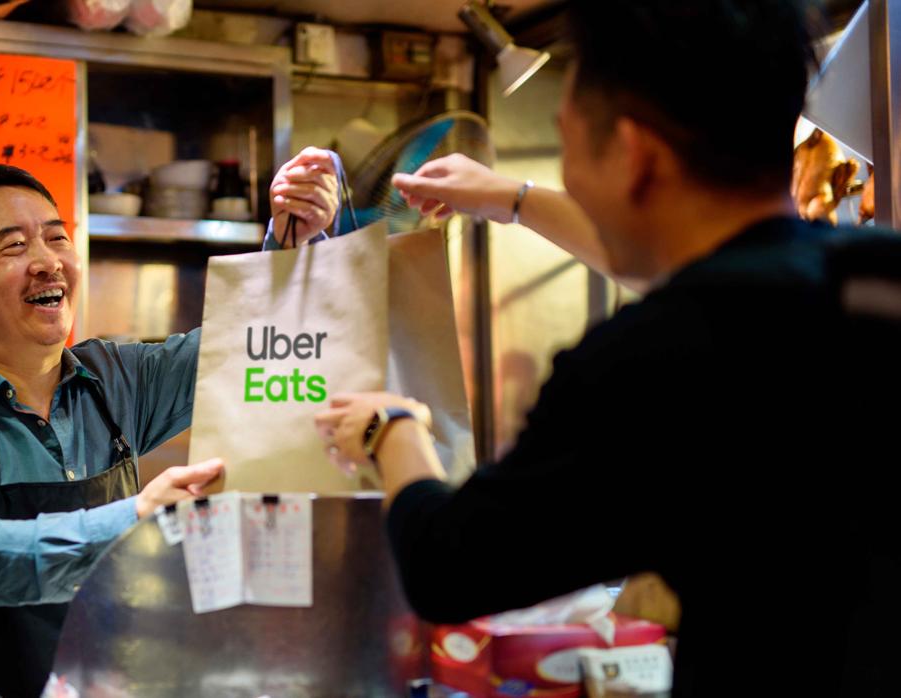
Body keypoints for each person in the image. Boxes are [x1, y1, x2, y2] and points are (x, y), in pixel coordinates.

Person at [317, 1, 898, 695]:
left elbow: (451, 568)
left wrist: (392, 429)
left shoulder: (650, 361)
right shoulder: (874, 275)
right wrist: (512, 196)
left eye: (566, 140)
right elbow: (717, 275)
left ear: (630, 153)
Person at [0, 150, 338, 697]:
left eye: (56, 237)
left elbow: (249, 346)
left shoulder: (120, 378)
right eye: (15, 245)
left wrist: (293, 239)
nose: (47, 262)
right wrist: (136, 517)